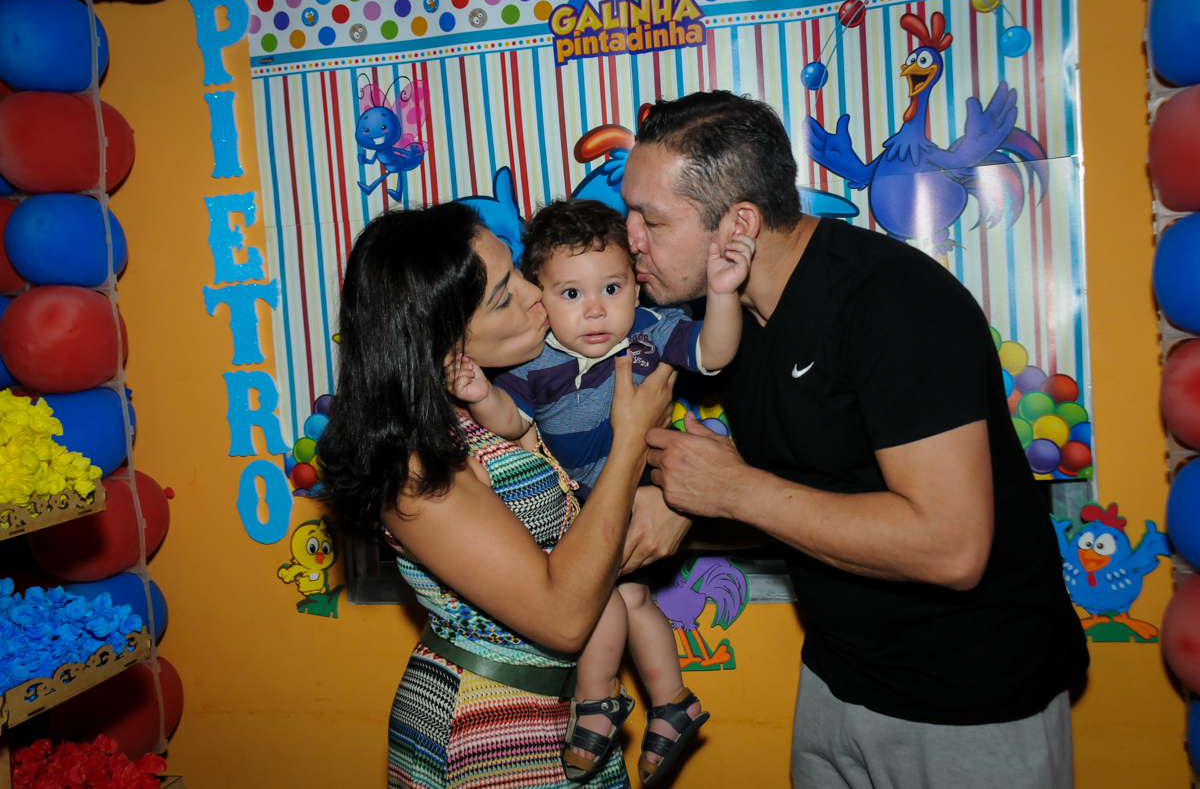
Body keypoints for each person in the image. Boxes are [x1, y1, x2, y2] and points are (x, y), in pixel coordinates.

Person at [618, 91, 1090, 788]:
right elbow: (813, 498)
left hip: (971, 702)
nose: (630, 237)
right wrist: (690, 511)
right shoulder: (727, 319)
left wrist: (734, 488)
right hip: (836, 681)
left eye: (650, 218)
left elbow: (951, 545)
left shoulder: (892, 300)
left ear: (738, 224)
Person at [316, 202, 677, 789]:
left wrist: (667, 499)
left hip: (572, 712)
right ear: (441, 343)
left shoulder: (497, 404)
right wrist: (632, 438)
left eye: (516, 272)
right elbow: (562, 619)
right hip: (484, 732)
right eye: (504, 296)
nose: (538, 294)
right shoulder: (414, 465)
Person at [448, 197, 753, 785]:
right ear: (542, 297)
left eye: (612, 289)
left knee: (608, 605)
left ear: (637, 290)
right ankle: (670, 703)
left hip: (644, 492)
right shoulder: (537, 360)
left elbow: (713, 355)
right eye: (570, 295)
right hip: (588, 508)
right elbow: (512, 422)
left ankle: (598, 700)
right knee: (627, 602)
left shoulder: (651, 336)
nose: (594, 310)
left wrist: (721, 294)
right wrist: (479, 393)